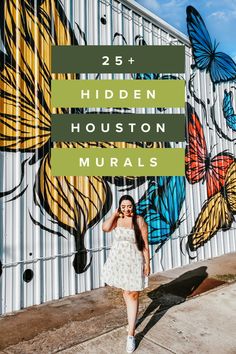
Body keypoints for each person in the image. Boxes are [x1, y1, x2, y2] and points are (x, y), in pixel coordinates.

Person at [101, 195, 150, 353]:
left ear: (133, 206)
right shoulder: (118, 219)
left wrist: (147, 264)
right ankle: (131, 322)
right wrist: (115, 214)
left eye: (129, 206)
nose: (127, 209)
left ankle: (131, 335)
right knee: (125, 291)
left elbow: (144, 245)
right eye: (123, 206)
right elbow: (105, 228)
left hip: (134, 261)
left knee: (133, 294)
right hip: (118, 261)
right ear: (120, 207)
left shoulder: (139, 220)